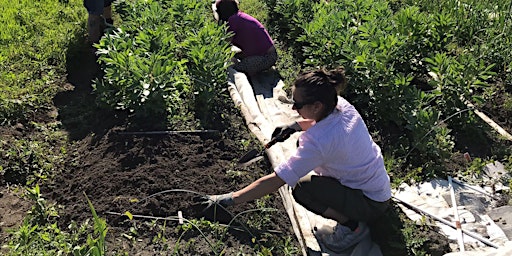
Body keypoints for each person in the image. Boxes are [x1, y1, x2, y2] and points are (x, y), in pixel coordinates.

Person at [196, 67, 392, 252]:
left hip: (369, 202)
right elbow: (322, 125)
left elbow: (277, 179)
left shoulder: (319, 142)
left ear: (317, 106)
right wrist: (295, 126)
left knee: (302, 189)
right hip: (376, 184)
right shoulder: (341, 105)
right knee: (301, 144)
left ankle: (352, 227)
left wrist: (228, 199)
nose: (293, 108)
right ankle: (349, 212)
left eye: (297, 105)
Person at [214, 0, 278, 76]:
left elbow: (224, 45)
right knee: (234, 57)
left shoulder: (233, 21)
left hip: (266, 58)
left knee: (233, 68)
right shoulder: (238, 17)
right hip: (267, 54)